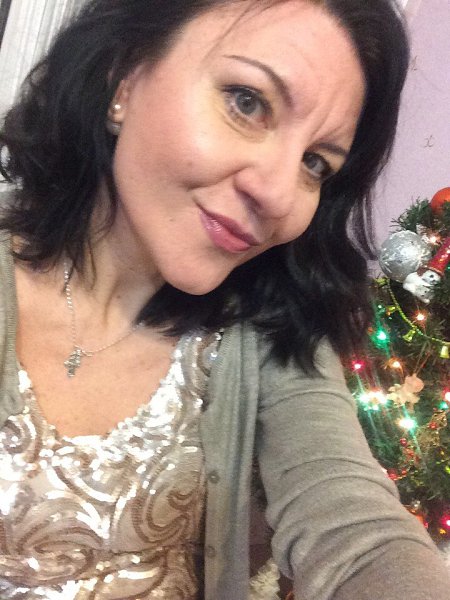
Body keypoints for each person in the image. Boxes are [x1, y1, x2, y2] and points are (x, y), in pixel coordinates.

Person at [0, 0, 448, 599]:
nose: (279, 195)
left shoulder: (271, 328)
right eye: (247, 102)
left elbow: (358, 534)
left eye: (315, 163)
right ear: (123, 78)